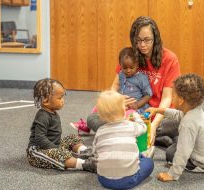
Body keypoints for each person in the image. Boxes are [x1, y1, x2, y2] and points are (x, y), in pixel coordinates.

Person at [72, 16, 181, 149]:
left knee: (177, 121)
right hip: (130, 114)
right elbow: (114, 87)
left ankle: (136, 133)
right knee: (92, 119)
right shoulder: (129, 56)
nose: (142, 45)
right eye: (138, 40)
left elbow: (167, 98)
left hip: (156, 115)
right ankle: (148, 135)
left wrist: (153, 125)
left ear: (155, 39)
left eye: (147, 40)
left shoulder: (170, 59)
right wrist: (116, 101)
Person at [146, 74, 204, 181]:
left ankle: (175, 142)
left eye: (174, 96)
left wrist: (172, 174)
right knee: (177, 131)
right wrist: (157, 110)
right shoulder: (194, 110)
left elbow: (183, 153)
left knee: (170, 153)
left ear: (181, 100)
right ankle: (176, 139)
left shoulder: (188, 124)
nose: (172, 97)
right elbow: (177, 115)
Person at [26, 78, 96, 173]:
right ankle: (84, 164)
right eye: (60, 98)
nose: (63, 100)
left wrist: (58, 147)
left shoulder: (52, 112)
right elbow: (40, 138)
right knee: (60, 154)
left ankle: (85, 152)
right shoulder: (42, 116)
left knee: (72, 138)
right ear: (46, 101)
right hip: (38, 151)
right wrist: (57, 149)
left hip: (54, 144)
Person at [92, 90, 154, 190]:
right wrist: (137, 117)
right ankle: (141, 157)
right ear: (123, 109)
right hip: (128, 180)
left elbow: (95, 153)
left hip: (104, 180)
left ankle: (136, 157)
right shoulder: (131, 126)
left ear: (100, 115)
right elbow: (143, 127)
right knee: (149, 163)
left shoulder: (100, 131)